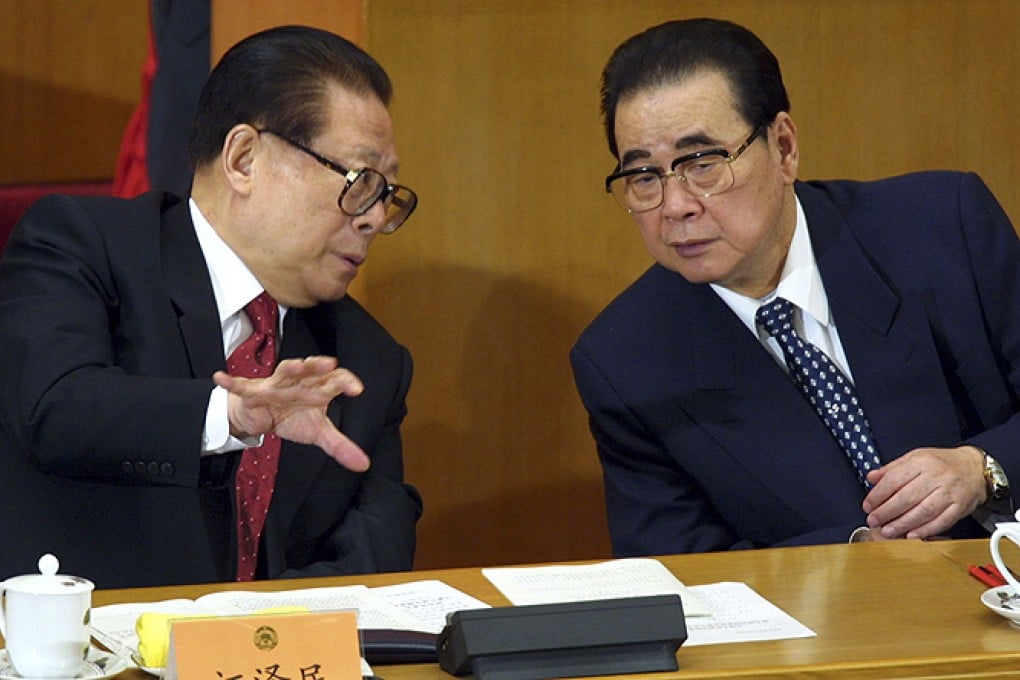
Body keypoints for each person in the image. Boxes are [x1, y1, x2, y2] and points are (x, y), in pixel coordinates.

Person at [570, 17, 1020, 556]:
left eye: (702, 164)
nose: (675, 205)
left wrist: (983, 468)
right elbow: (676, 568)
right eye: (644, 176)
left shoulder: (943, 228)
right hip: (835, 633)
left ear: (783, 147)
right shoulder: (625, 362)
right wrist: (853, 551)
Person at [0, 25, 422, 588]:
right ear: (244, 159)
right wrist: (227, 415)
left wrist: (251, 634)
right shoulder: (84, 246)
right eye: (360, 180)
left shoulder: (365, 359)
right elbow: (54, 407)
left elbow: (380, 546)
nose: (373, 217)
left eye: (387, 194)